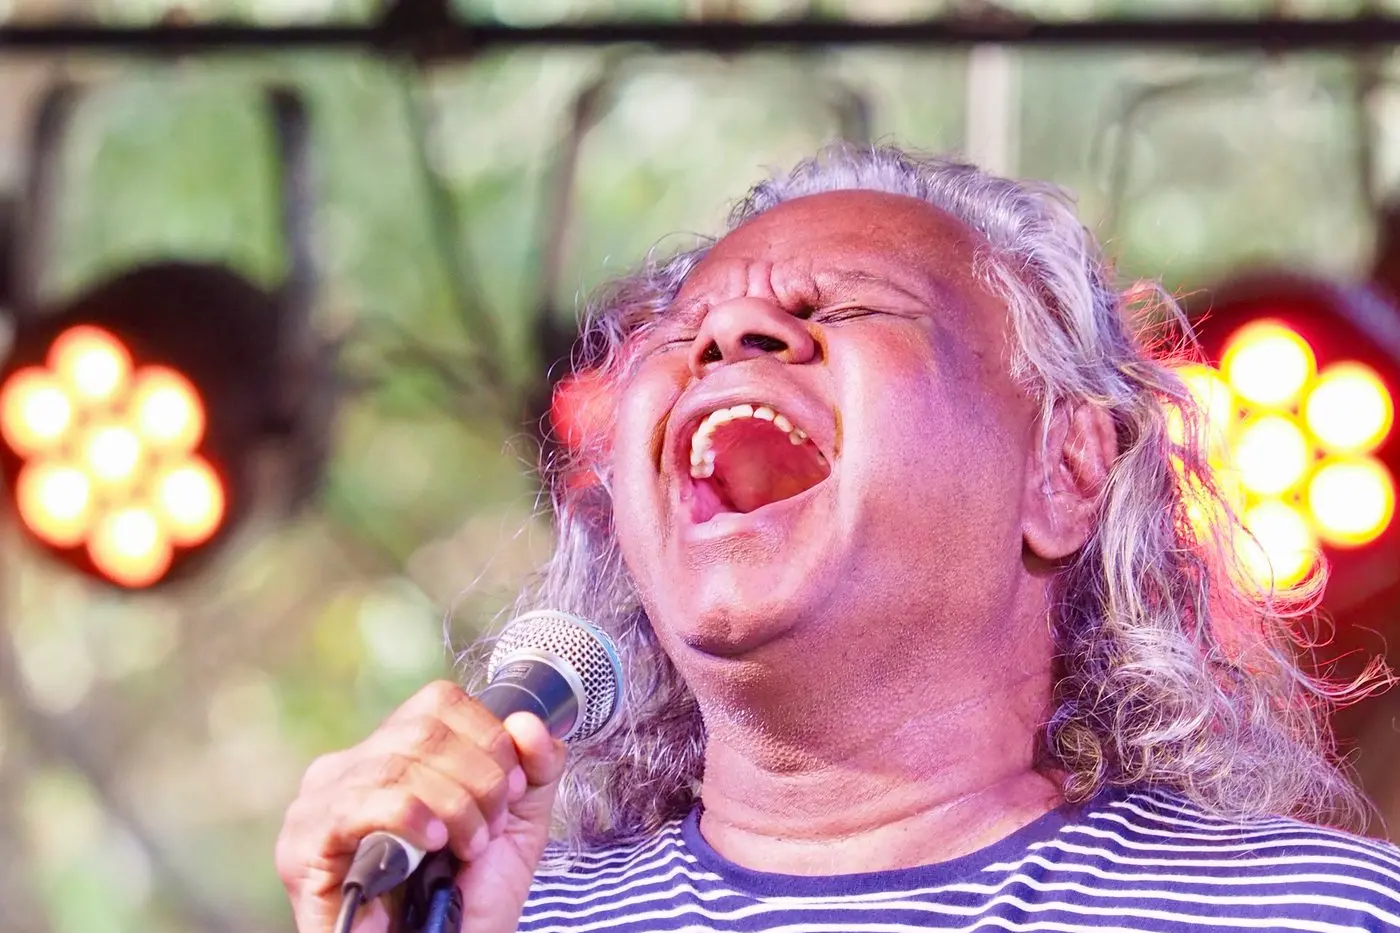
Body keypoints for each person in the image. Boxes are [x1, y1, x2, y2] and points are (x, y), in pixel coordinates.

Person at [275, 143, 1400, 932]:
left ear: (1061, 471)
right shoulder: (488, 918)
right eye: (682, 335)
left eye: (844, 309)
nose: (730, 333)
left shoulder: (1316, 914)